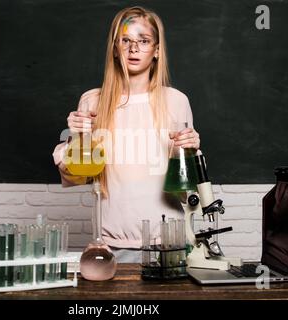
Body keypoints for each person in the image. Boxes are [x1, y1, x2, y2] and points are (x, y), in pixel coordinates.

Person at [52, 6, 200, 263]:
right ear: (114, 47)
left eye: (143, 41)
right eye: (126, 40)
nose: (134, 49)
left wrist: (191, 150)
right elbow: (78, 175)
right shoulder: (93, 101)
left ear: (156, 50)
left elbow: (189, 188)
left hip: (170, 243)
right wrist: (76, 136)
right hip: (112, 246)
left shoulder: (175, 101)